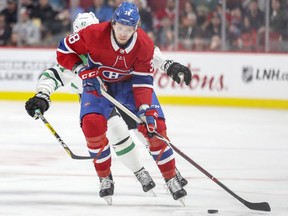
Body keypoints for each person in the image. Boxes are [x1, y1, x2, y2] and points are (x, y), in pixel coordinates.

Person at [26, 4, 191, 205]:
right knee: (111, 133)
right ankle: (136, 172)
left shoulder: (122, 38)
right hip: (97, 97)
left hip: (125, 88)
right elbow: (52, 75)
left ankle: (170, 171)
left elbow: (147, 53)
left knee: (149, 129)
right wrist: (42, 96)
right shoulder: (81, 47)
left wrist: (167, 65)